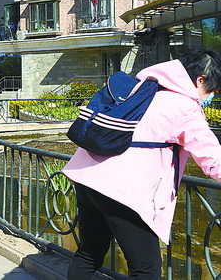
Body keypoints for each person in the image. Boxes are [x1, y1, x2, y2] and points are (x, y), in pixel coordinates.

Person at [63, 49, 221, 279]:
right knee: (145, 269)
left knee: (90, 252)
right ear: (200, 80)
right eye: (214, 90)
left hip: (87, 178)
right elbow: (213, 160)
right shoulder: (185, 107)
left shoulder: (142, 89)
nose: (212, 96)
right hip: (124, 191)